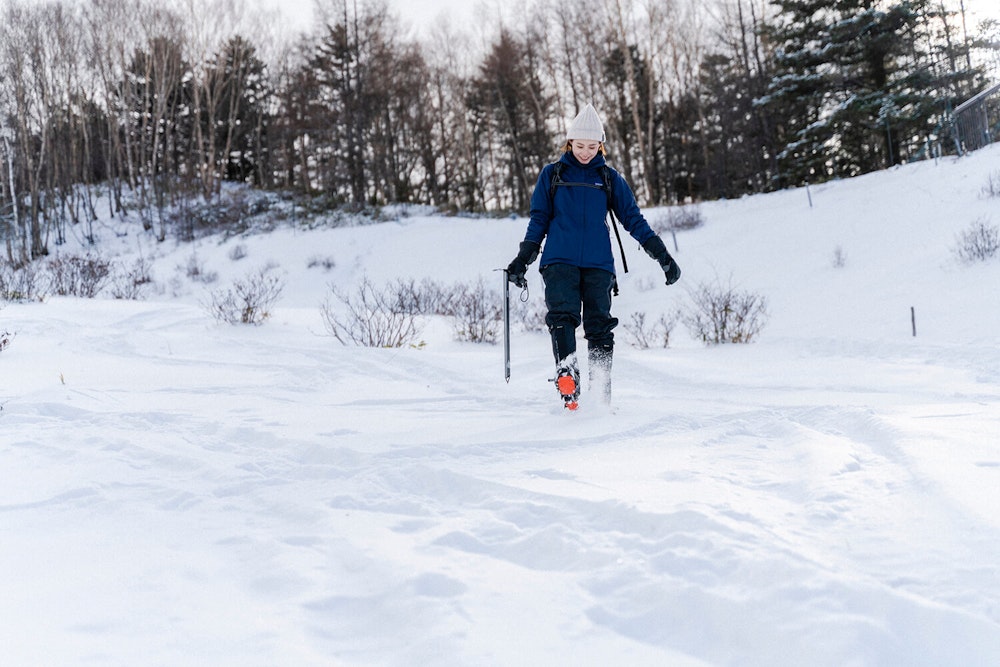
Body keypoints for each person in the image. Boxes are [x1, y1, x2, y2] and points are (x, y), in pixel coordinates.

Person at [506, 103, 681, 410]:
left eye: (591, 146)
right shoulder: (552, 175)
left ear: (600, 145)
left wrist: (662, 255)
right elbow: (538, 220)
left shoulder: (610, 178)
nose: (585, 152)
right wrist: (524, 258)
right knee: (563, 315)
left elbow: (633, 219)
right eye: (579, 145)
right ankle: (568, 373)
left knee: (599, 325)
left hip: (599, 265)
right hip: (559, 260)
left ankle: (600, 389)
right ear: (568, 143)